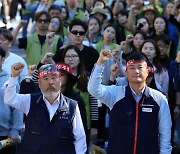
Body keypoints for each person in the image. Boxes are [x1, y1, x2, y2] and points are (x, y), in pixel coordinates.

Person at [88, 51, 172, 153]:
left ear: (147, 72)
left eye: (140, 67)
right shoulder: (116, 94)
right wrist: (100, 63)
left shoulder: (159, 99)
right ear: (126, 73)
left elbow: (165, 133)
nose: (136, 71)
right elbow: (93, 89)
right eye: (132, 68)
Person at [4, 63, 87, 154]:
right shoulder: (30, 101)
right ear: (39, 83)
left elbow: (80, 138)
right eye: (46, 78)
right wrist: (14, 77)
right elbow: (10, 99)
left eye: (54, 78)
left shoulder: (72, 106)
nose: (50, 82)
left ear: (60, 81)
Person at [0, 47, 24, 154]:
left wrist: (15, 130)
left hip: (6, 135)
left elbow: (17, 108)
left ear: (3, 59)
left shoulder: (10, 80)